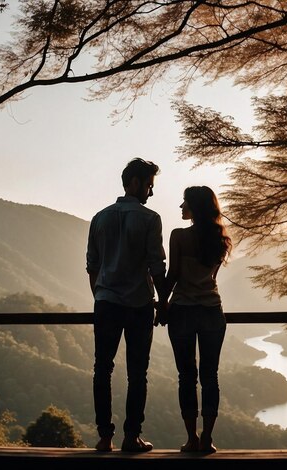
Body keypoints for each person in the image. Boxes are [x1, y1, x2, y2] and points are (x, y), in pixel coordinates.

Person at [86, 157, 168, 453]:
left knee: (102, 369)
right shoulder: (149, 219)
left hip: (105, 303)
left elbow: (92, 265)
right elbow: (156, 265)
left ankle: (104, 437)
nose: (150, 192)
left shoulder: (99, 218)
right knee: (137, 373)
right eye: (148, 185)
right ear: (134, 183)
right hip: (138, 304)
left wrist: (99, 295)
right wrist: (164, 301)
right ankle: (131, 437)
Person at [162, 186, 232, 453]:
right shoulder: (220, 239)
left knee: (186, 376)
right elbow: (210, 279)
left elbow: (174, 275)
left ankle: (191, 438)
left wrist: (162, 305)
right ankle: (207, 439)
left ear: (194, 207)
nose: (181, 207)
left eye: (185, 203)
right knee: (210, 376)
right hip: (212, 311)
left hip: (182, 311)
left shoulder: (178, 236)